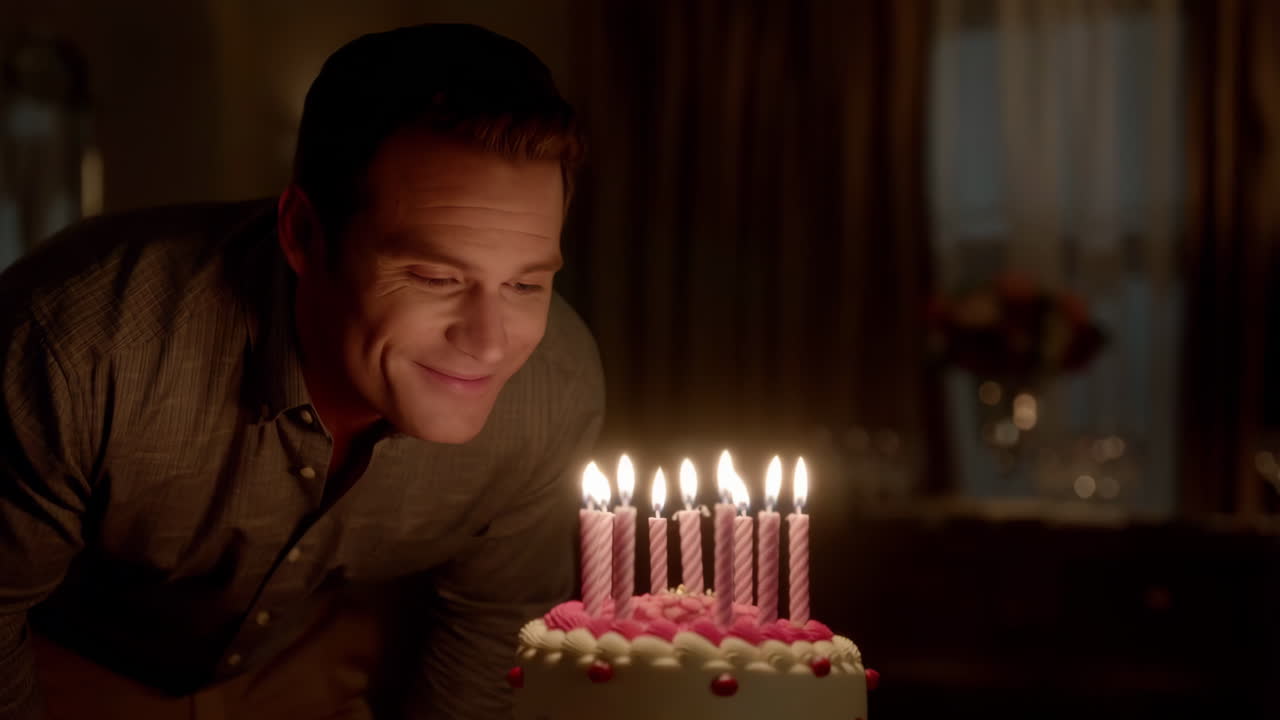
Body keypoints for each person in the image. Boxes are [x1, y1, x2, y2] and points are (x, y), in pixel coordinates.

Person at [0, 23, 603, 720]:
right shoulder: (77, 349)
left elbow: (489, 637)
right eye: (436, 277)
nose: (490, 343)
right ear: (304, 235)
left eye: (525, 285)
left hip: (319, 678)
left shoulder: (554, 388)